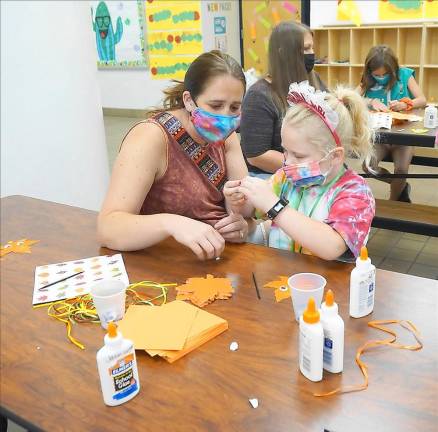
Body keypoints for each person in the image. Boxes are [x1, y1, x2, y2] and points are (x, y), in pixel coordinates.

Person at [98, 50, 252, 260]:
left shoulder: (226, 135)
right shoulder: (150, 138)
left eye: (234, 107)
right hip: (167, 261)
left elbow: (245, 210)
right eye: (215, 105)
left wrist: (240, 224)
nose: (225, 117)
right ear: (189, 101)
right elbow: (109, 228)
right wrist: (169, 223)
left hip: (218, 256)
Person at [225, 81, 375, 261]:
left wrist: (275, 207)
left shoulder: (355, 193)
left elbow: (332, 246)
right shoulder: (286, 178)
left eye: (299, 155)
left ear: (335, 156)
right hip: (282, 279)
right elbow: (252, 210)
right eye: (285, 151)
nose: (288, 161)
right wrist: (239, 199)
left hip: (329, 286)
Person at [240, 21, 327, 178]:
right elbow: (256, 155)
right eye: (306, 48)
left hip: (312, 167)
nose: (312, 54)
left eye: (312, 48)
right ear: (283, 53)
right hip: (270, 174)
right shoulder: (259, 95)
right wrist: (305, 167)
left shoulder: (314, 80)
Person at [358, 45, 426, 202]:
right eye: (377, 75)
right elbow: (350, 99)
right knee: (368, 166)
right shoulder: (367, 79)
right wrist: (370, 101)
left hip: (403, 137)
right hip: (380, 136)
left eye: (386, 74)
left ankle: (394, 201)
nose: (381, 77)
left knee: (401, 170)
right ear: (369, 71)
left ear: (394, 68)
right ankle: (400, 184)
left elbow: (422, 100)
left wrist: (405, 104)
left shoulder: (405, 74)